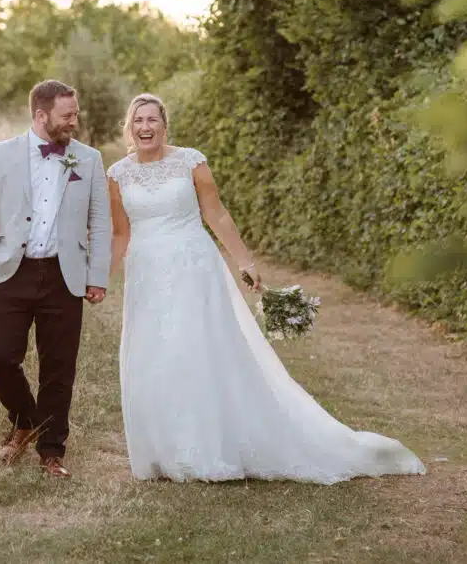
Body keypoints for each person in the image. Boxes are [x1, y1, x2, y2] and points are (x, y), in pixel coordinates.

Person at [107, 93, 426, 483]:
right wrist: (99, 278)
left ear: (164, 124)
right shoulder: (118, 174)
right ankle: (165, 451)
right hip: (147, 277)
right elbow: (121, 233)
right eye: (138, 120)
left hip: (194, 269)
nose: (145, 127)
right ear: (129, 126)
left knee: (196, 351)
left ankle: (207, 449)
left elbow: (216, 214)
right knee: (155, 357)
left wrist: (245, 261)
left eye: (152, 120)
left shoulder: (191, 161)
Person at [0, 79, 112, 478]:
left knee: (59, 367)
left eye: (76, 113)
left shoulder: (88, 159)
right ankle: (26, 420)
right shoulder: (0, 154)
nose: (74, 121)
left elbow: (99, 222)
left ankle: (52, 451)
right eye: (67, 115)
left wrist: (96, 275)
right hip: (9, 271)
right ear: (41, 115)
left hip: (63, 275)